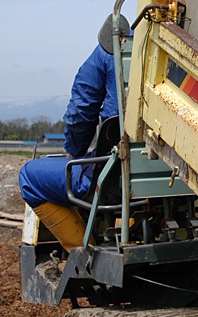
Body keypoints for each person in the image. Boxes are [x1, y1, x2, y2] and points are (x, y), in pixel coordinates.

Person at [19, 15, 128, 252]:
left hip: (114, 175)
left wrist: (75, 150)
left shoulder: (108, 51)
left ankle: (85, 255)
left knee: (29, 177)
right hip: (163, 181)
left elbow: (81, 111)